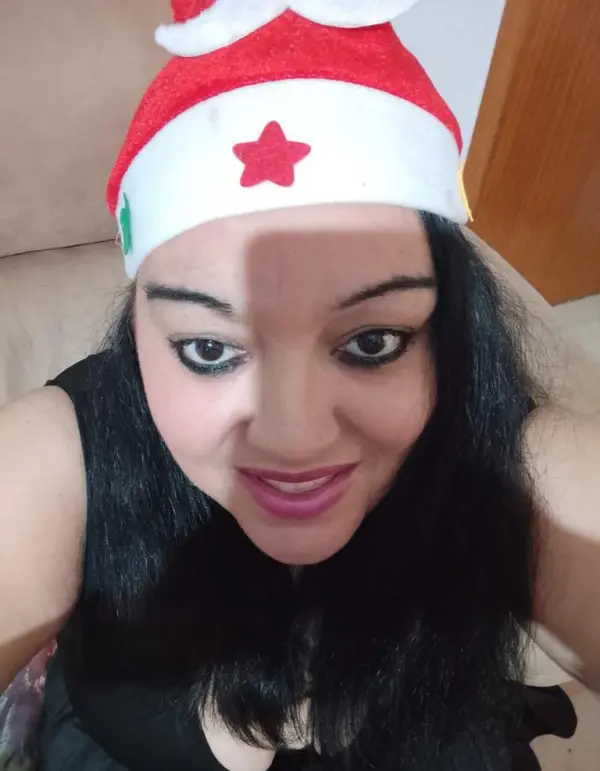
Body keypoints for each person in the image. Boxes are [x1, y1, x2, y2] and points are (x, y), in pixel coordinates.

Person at [0, 2, 598, 770]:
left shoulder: (505, 462)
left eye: (372, 343)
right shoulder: (64, 457)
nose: (294, 438)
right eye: (209, 348)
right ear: (137, 327)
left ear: (449, 326)